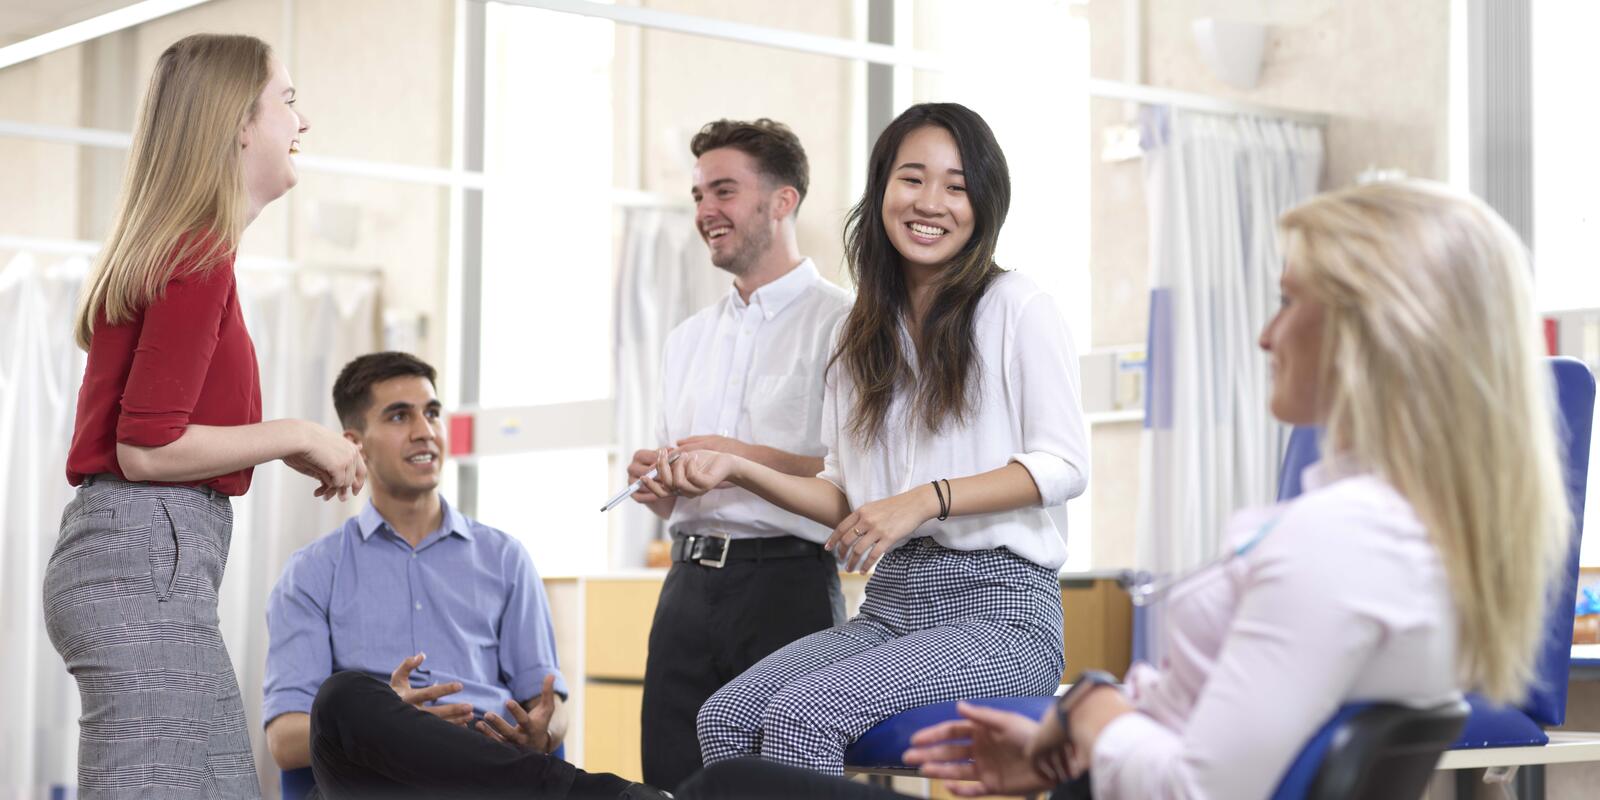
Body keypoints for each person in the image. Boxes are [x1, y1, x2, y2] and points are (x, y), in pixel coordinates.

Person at [678, 179, 1571, 799]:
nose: (1265, 334)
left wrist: (1092, 705)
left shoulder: (1335, 544)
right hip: (957, 660)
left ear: (1378, 335)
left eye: (1290, 302)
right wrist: (1058, 749)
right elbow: (1217, 734)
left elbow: (1195, 786)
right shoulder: (1368, 530)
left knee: (734, 778)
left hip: (1001, 617)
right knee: (727, 736)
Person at [647, 102, 1089, 774]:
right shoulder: (859, 336)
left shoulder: (1017, 306)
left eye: (957, 186)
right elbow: (841, 493)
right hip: (892, 605)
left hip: (1002, 615)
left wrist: (925, 499)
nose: (931, 202)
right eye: (912, 179)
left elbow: (1063, 465)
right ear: (882, 189)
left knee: (803, 714)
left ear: (984, 203)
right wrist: (737, 468)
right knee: (725, 717)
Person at [42, 33, 364, 799]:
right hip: (140, 560)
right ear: (239, 123)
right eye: (287, 100)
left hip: (143, 563)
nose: (302, 122)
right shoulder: (196, 253)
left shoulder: (185, 250)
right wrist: (299, 433)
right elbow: (146, 447)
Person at [624, 118, 852, 791]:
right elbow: (674, 494)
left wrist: (739, 456)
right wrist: (655, 482)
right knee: (671, 780)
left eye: (722, 191)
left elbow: (857, 474)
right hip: (686, 589)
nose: (704, 212)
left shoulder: (845, 324)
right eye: (697, 196)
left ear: (783, 201)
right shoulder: (684, 340)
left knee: (776, 784)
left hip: (788, 587)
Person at [263, 352, 568, 774]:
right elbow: (284, 740)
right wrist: (386, 724)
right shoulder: (312, 574)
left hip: (490, 769)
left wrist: (546, 733)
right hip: (380, 774)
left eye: (432, 413)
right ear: (355, 444)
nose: (425, 432)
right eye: (399, 417)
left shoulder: (505, 557)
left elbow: (549, 704)